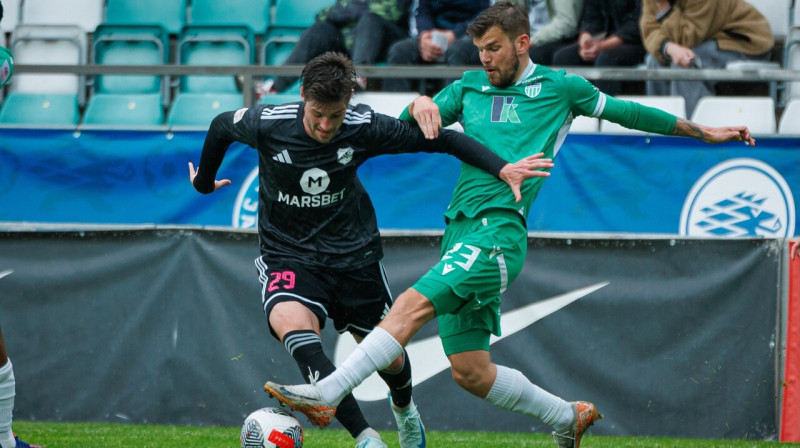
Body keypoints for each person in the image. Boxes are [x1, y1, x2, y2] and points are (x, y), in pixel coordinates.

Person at [263, 3, 757, 448]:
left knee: (410, 305)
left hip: (498, 233)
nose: (485, 58)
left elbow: (629, 112)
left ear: (523, 43)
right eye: (479, 49)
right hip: (459, 232)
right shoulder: (470, 86)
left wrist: (702, 129)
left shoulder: (562, 88)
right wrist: (421, 101)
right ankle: (566, 416)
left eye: (494, 48)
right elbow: (415, 120)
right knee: (471, 373)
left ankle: (328, 393)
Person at [189, 51, 551, 448]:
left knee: (390, 359)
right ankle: (365, 436)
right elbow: (221, 125)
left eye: (335, 116)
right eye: (317, 116)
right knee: (292, 326)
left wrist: (501, 168)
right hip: (287, 253)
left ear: (349, 103)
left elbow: (443, 140)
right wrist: (204, 182)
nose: (326, 125)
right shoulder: (267, 123)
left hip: (353, 256)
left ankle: (405, 409)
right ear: (303, 94)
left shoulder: (363, 126)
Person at [640, 0, 774, 117]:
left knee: (687, 62)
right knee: (654, 60)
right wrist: (668, 48)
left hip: (745, 39)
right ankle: (658, 129)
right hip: (707, 38)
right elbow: (649, 30)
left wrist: (664, 9)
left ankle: (694, 133)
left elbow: (686, 38)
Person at [266, 0, 413, 94]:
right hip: (350, 43)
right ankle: (275, 87)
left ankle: (359, 76)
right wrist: (355, 9)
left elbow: (391, 13)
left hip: (386, 42)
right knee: (320, 29)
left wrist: (349, 10)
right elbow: (323, 14)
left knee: (370, 19)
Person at [383, 0, 489, 93]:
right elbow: (421, 11)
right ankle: (396, 111)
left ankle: (452, 109)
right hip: (433, 33)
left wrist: (455, 34)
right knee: (400, 50)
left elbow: (486, 14)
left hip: (471, 34)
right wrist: (425, 36)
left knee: (458, 51)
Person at [552, 0, 646, 96]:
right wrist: (584, 41)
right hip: (606, 40)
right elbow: (591, 18)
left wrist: (601, 46)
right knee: (564, 57)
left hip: (638, 43)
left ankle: (607, 109)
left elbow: (635, 27)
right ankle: (572, 107)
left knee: (607, 58)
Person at [528, 0, 584, 66]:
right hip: (532, 36)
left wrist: (532, 41)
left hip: (562, 38)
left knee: (533, 55)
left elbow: (566, 23)